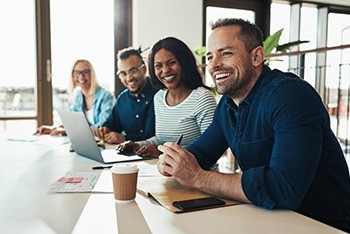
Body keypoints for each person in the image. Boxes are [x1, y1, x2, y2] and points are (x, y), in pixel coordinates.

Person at [157, 18, 350, 232]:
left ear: (257, 56)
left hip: (322, 224)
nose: (213, 65)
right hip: (269, 219)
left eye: (226, 53)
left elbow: (283, 189)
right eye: (210, 57)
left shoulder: (290, 95)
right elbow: (201, 153)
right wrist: (173, 161)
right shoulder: (227, 105)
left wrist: (198, 177)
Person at [116, 37, 217, 158]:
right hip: (164, 171)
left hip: (197, 175)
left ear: (184, 63)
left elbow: (211, 149)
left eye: (171, 63)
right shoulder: (159, 97)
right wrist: (137, 145)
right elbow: (160, 139)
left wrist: (162, 152)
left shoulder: (202, 98)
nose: (165, 70)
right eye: (158, 66)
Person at [93, 47, 157, 144]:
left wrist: (125, 139)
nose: (129, 78)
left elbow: (155, 136)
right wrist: (105, 129)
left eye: (133, 71)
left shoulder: (159, 95)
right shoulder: (122, 99)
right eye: (123, 73)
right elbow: (112, 124)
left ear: (144, 69)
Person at [35, 59, 114, 136]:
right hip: (88, 142)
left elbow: (102, 127)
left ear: (92, 74)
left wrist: (67, 131)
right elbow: (72, 122)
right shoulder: (78, 96)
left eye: (85, 72)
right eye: (77, 72)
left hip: (106, 142)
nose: (81, 77)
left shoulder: (106, 96)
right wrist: (53, 128)